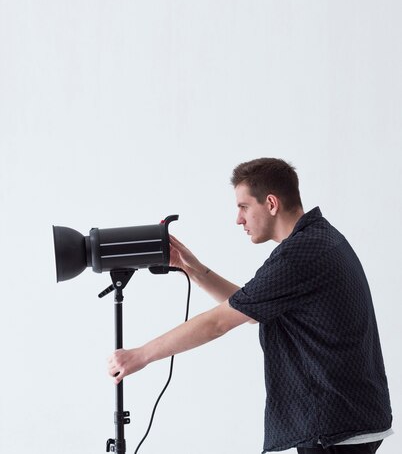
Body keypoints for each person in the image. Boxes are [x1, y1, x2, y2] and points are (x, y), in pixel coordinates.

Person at [107, 158, 392, 453]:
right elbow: (252, 309)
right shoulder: (317, 237)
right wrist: (193, 268)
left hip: (335, 427)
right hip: (352, 417)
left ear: (270, 203)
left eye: (243, 207)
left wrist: (139, 356)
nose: (238, 219)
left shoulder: (298, 256)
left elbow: (218, 322)